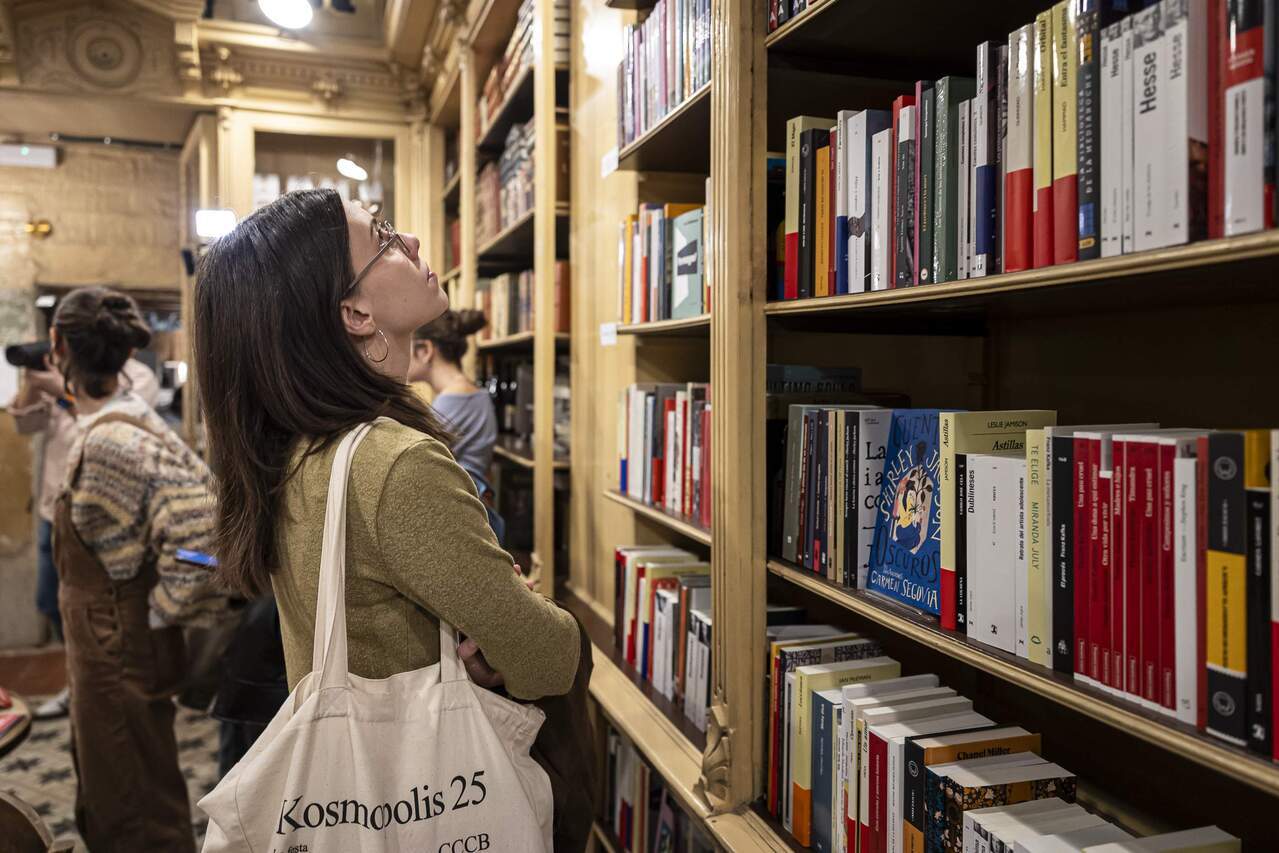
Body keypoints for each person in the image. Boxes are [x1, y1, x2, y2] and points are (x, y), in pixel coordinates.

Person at [191, 188, 580, 719]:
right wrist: (523, 614)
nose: (412, 240)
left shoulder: (300, 447)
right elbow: (549, 659)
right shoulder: (396, 465)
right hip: (428, 786)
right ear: (354, 312)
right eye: (383, 238)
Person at [47, 286, 229, 852]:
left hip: (117, 644)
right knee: (129, 783)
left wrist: (161, 613)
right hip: (111, 642)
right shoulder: (121, 423)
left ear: (58, 347)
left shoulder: (113, 440)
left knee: (132, 807)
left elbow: (202, 533)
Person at [9, 341, 158, 719]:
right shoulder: (64, 372)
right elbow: (26, 424)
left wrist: (61, 388)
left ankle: (115, 685)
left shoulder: (137, 376)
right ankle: (79, 680)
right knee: (52, 602)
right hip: (53, 510)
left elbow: (121, 420)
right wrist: (32, 383)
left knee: (107, 608)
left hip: (104, 515)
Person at [407, 308, 498, 477]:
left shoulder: (454, 400)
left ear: (425, 351)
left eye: (404, 345)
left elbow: (416, 464)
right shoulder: (468, 393)